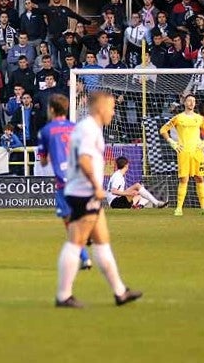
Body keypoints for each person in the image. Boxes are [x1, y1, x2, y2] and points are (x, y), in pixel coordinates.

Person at [55, 90, 142, 308]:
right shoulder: (88, 129)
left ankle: (120, 292)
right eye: (111, 107)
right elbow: (84, 160)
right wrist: (96, 186)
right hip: (84, 192)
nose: (113, 112)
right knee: (76, 242)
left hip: (84, 191)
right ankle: (63, 295)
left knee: (102, 242)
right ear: (100, 107)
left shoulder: (91, 128)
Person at [38, 94, 93, 269]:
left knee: (69, 223)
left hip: (63, 182)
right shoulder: (76, 127)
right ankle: (85, 251)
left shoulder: (46, 131)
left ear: (52, 109)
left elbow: (44, 161)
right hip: (81, 178)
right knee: (79, 216)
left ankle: (84, 255)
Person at [159, 94, 204, 216]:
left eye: (193, 101)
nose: (191, 103)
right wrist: (171, 142)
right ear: (184, 103)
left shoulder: (199, 118)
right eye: (189, 100)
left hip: (197, 152)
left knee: (200, 178)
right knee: (184, 179)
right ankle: (178, 208)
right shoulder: (178, 118)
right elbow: (163, 130)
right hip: (184, 152)